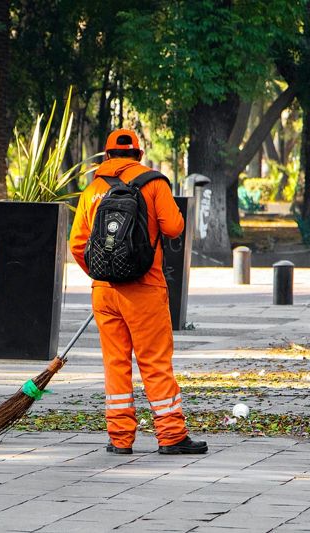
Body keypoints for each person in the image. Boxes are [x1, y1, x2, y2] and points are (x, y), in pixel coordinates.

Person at [69, 129, 207, 455]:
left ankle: (120, 438)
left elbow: (77, 244)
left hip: (105, 292)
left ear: (107, 156)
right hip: (145, 288)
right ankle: (171, 435)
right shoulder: (154, 183)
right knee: (155, 362)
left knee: (115, 363)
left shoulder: (92, 189)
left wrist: (105, 274)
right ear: (139, 155)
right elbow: (174, 227)